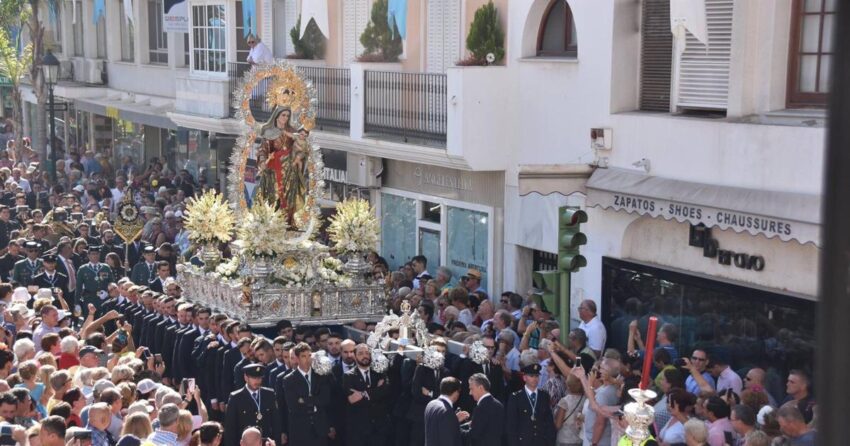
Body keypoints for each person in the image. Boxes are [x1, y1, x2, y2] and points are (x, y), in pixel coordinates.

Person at [253, 106, 310, 227]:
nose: (285, 118)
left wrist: (300, 156)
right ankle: (273, 222)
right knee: (274, 195)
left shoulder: (292, 131)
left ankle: (288, 222)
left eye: (287, 116)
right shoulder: (269, 131)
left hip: (290, 169)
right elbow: (263, 149)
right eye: (283, 115)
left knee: (290, 195)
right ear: (277, 116)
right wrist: (262, 161)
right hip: (274, 169)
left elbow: (301, 147)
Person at [282, 342, 331, 446]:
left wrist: (304, 399)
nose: (308, 359)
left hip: (320, 428)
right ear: (297, 358)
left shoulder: (320, 375)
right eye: (303, 356)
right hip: (300, 429)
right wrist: (315, 401)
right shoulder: (289, 379)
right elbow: (293, 406)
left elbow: (325, 399)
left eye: (309, 355)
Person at [341, 344, 390, 446]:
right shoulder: (348, 376)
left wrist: (363, 394)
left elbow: (385, 392)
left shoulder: (379, 372)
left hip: (379, 427)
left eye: (367, 353)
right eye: (360, 353)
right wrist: (376, 390)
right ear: (355, 356)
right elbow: (352, 399)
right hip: (359, 429)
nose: (365, 356)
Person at [506, 363, 556, 446]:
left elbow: (549, 422)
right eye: (531, 376)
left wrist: (550, 442)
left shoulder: (544, 396)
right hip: (522, 442)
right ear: (524, 378)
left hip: (541, 442)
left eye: (537, 376)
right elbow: (511, 425)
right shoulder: (515, 397)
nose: (534, 379)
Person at [461, 373, 504, 446]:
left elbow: (473, 435)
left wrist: (456, 428)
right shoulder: (499, 404)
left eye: (471, 389)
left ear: (480, 388)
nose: (470, 393)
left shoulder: (481, 408)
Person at [423, 377, 467, 446]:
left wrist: (454, 420)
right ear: (456, 393)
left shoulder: (431, 404)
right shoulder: (447, 411)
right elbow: (448, 440)